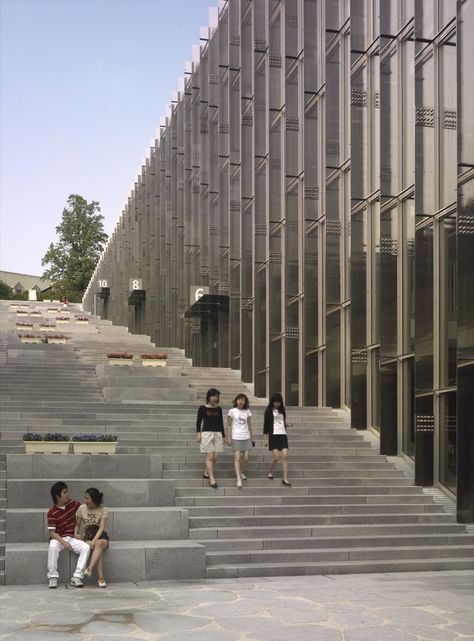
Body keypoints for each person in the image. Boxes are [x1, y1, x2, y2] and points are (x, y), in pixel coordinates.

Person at [47, 481, 90, 588]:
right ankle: (52, 577)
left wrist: (78, 533)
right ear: (57, 495)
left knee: (86, 547)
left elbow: (85, 511)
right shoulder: (52, 512)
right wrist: (63, 542)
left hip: (72, 537)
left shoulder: (74, 504)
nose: (67, 494)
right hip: (58, 539)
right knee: (52, 546)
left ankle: (77, 577)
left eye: (67, 492)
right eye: (64, 492)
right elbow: (52, 532)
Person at [75, 487, 109, 588]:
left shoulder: (103, 509)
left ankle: (89, 568)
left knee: (99, 544)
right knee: (98, 550)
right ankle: (101, 578)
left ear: (94, 500)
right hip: (88, 536)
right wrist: (75, 533)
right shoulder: (81, 508)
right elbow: (77, 525)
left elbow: (101, 528)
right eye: (84, 498)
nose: (85, 501)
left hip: (100, 536)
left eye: (87, 499)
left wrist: (93, 542)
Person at [196, 388, 225, 489]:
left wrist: (224, 436)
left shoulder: (219, 409)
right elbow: (198, 422)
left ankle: (206, 472)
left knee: (215, 457)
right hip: (207, 433)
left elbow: (221, 423)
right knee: (210, 456)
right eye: (213, 396)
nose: (215, 398)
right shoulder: (202, 408)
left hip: (217, 434)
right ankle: (211, 478)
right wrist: (198, 434)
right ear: (208, 396)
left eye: (217, 396)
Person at [263, 393, 293, 486]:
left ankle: (285, 478)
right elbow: (266, 426)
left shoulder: (282, 410)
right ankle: (270, 471)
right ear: (272, 402)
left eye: (279, 402)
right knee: (276, 457)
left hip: (283, 435)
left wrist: (287, 424)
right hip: (273, 436)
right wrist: (265, 439)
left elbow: (281, 423)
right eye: (275, 402)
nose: (277, 404)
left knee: (285, 456)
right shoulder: (268, 411)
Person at [226, 393, 255, 488]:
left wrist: (252, 438)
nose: (241, 401)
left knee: (246, 458)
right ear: (236, 401)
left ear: (245, 402)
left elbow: (250, 425)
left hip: (246, 437)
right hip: (236, 437)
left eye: (243, 400)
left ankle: (241, 472)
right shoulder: (232, 411)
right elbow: (229, 425)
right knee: (237, 458)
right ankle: (238, 478)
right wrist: (229, 437)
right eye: (239, 399)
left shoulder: (247, 412)